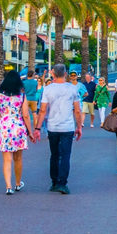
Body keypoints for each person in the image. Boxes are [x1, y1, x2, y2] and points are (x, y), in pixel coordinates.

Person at [34, 64, 83, 195]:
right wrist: (79, 126)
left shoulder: (47, 89)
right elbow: (77, 110)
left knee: (54, 155)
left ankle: (54, 182)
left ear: (53, 74)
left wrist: (37, 128)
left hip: (52, 127)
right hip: (67, 127)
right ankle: (62, 183)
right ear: (65, 74)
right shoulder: (72, 89)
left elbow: (42, 110)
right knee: (66, 155)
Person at [0, 70, 36, 195]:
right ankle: (18, 184)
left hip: (4, 127)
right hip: (18, 127)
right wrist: (30, 132)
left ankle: (8, 186)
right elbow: (26, 115)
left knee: (6, 159)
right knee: (18, 158)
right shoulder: (22, 96)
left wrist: (5, 116)